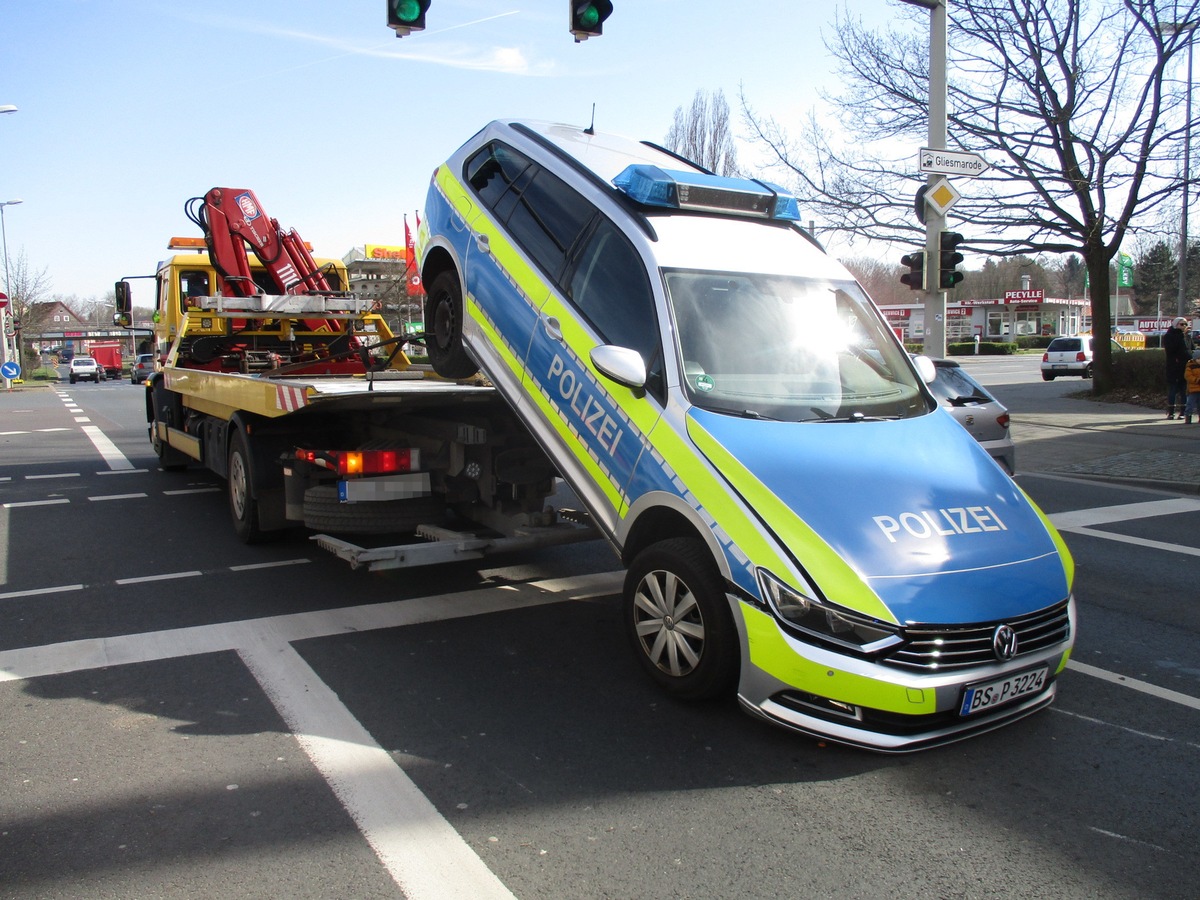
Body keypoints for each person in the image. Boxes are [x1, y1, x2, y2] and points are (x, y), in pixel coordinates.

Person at [1163, 316, 1192, 419]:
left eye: (1185, 324)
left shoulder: (1186, 336)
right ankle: (1171, 412)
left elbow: (1189, 349)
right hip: (1174, 367)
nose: (1184, 326)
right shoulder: (1169, 336)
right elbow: (1171, 350)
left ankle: (1183, 412)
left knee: (1184, 390)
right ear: (1175, 324)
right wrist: (1180, 336)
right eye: (1181, 324)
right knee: (1173, 390)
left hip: (1185, 367)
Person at [1185, 349, 1200, 425]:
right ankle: (1188, 416)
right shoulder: (1190, 367)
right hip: (1193, 389)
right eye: (1198, 359)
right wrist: (1196, 380)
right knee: (1190, 404)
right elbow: (1188, 376)